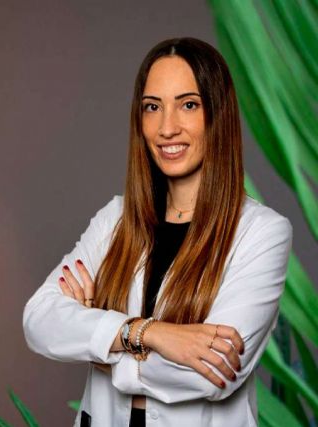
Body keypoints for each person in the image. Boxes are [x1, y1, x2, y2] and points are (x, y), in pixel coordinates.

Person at [22, 37, 293, 427]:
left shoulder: (262, 233)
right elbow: (39, 320)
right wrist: (149, 334)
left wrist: (99, 347)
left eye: (188, 105)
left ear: (218, 114)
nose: (167, 128)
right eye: (153, 107)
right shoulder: (116, 218)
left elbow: (213, 373)